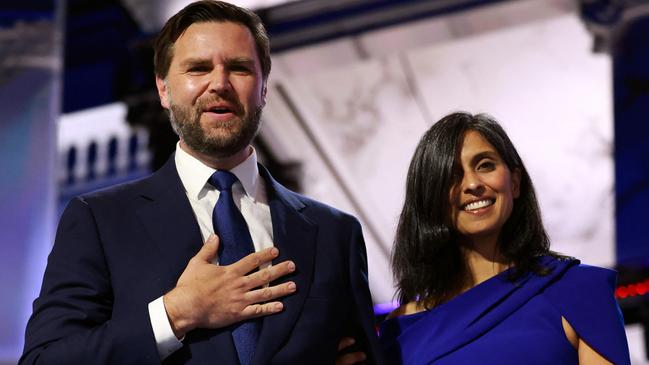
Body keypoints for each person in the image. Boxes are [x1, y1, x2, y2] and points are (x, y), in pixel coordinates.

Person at [20, 1, 381, 364]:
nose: (220, 83)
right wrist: (176, 312)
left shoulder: (336, 233)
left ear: (264, 88)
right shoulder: (99, 220)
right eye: (198, 68)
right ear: (163, 90)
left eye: (239, 68)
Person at [380, 112, 630, 364]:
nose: (472, 184)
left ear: (516, 181)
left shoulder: (580, 289)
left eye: (485, 165)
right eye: (452, 175)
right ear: (431, 198)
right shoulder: (402, 330)